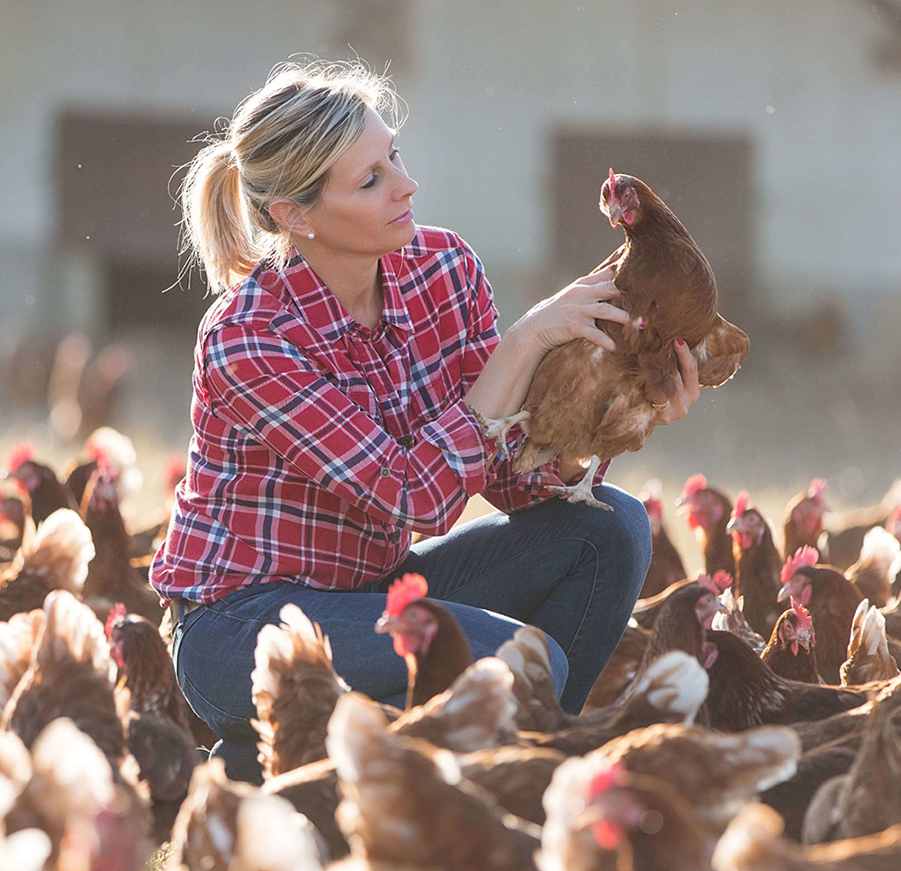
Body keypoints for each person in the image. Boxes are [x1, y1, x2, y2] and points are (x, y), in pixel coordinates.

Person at [151, 60, 700, 784]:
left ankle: (499, 778)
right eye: (370, 178)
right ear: (294, 215)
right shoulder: (251, 335)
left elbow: (510, 478)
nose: (405, 185)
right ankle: (335, 762)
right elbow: (412, 496)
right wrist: (524, 345)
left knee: (610, 527)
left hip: (376, 589)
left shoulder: (443, 269)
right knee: (517, 662)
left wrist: (611, 417)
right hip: (242, 627)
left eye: (394, 156)